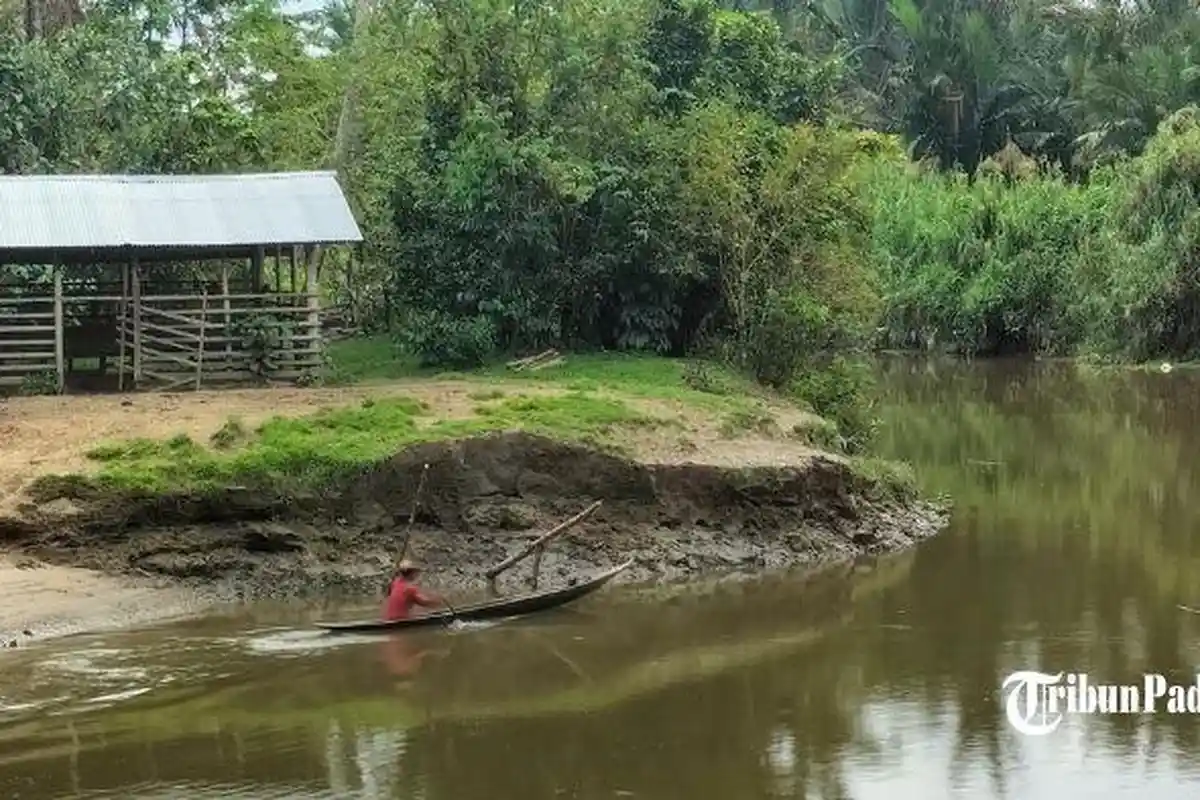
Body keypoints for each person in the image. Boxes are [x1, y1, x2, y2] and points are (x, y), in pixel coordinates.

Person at [381, 559, 446, 621]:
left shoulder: (395, 582)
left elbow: (388, 592)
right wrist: (440, 601)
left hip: (389, 619)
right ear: (412, 573)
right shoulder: (409, 589)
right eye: (416, 572)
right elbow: (425, 602)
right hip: (400, 621)